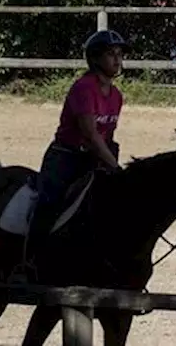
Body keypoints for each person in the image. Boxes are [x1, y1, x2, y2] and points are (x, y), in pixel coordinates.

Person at [14, 29, 129, 282]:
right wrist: (115, 168)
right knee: (49, 202)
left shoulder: (117, 96)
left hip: (96, 157)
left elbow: (107, 136)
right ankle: (28, 263)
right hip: (65, 157)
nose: (118, 60)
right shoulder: (83, 88)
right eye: (112, 54)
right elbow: (91, 135)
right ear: (95, 59)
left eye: (120, 55)